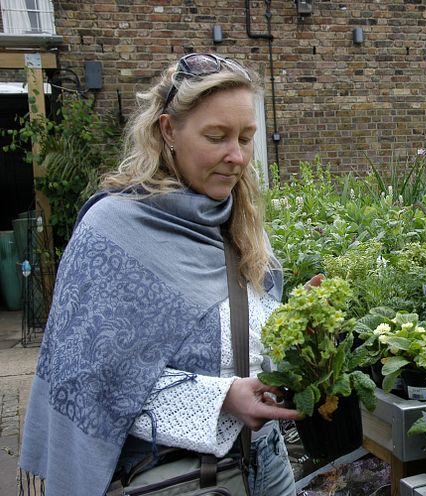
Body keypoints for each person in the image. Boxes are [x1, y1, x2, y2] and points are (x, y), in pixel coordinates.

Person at [19, 53, 307, 496]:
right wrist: (222, 398)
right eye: (217, 136)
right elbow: (85, 380)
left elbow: (244, 339)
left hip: (267, 462)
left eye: (247, 138)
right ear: (168, 130)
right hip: (179, 477)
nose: (237, 157)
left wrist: (301, 319)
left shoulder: (239, 223)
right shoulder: (112, 234)